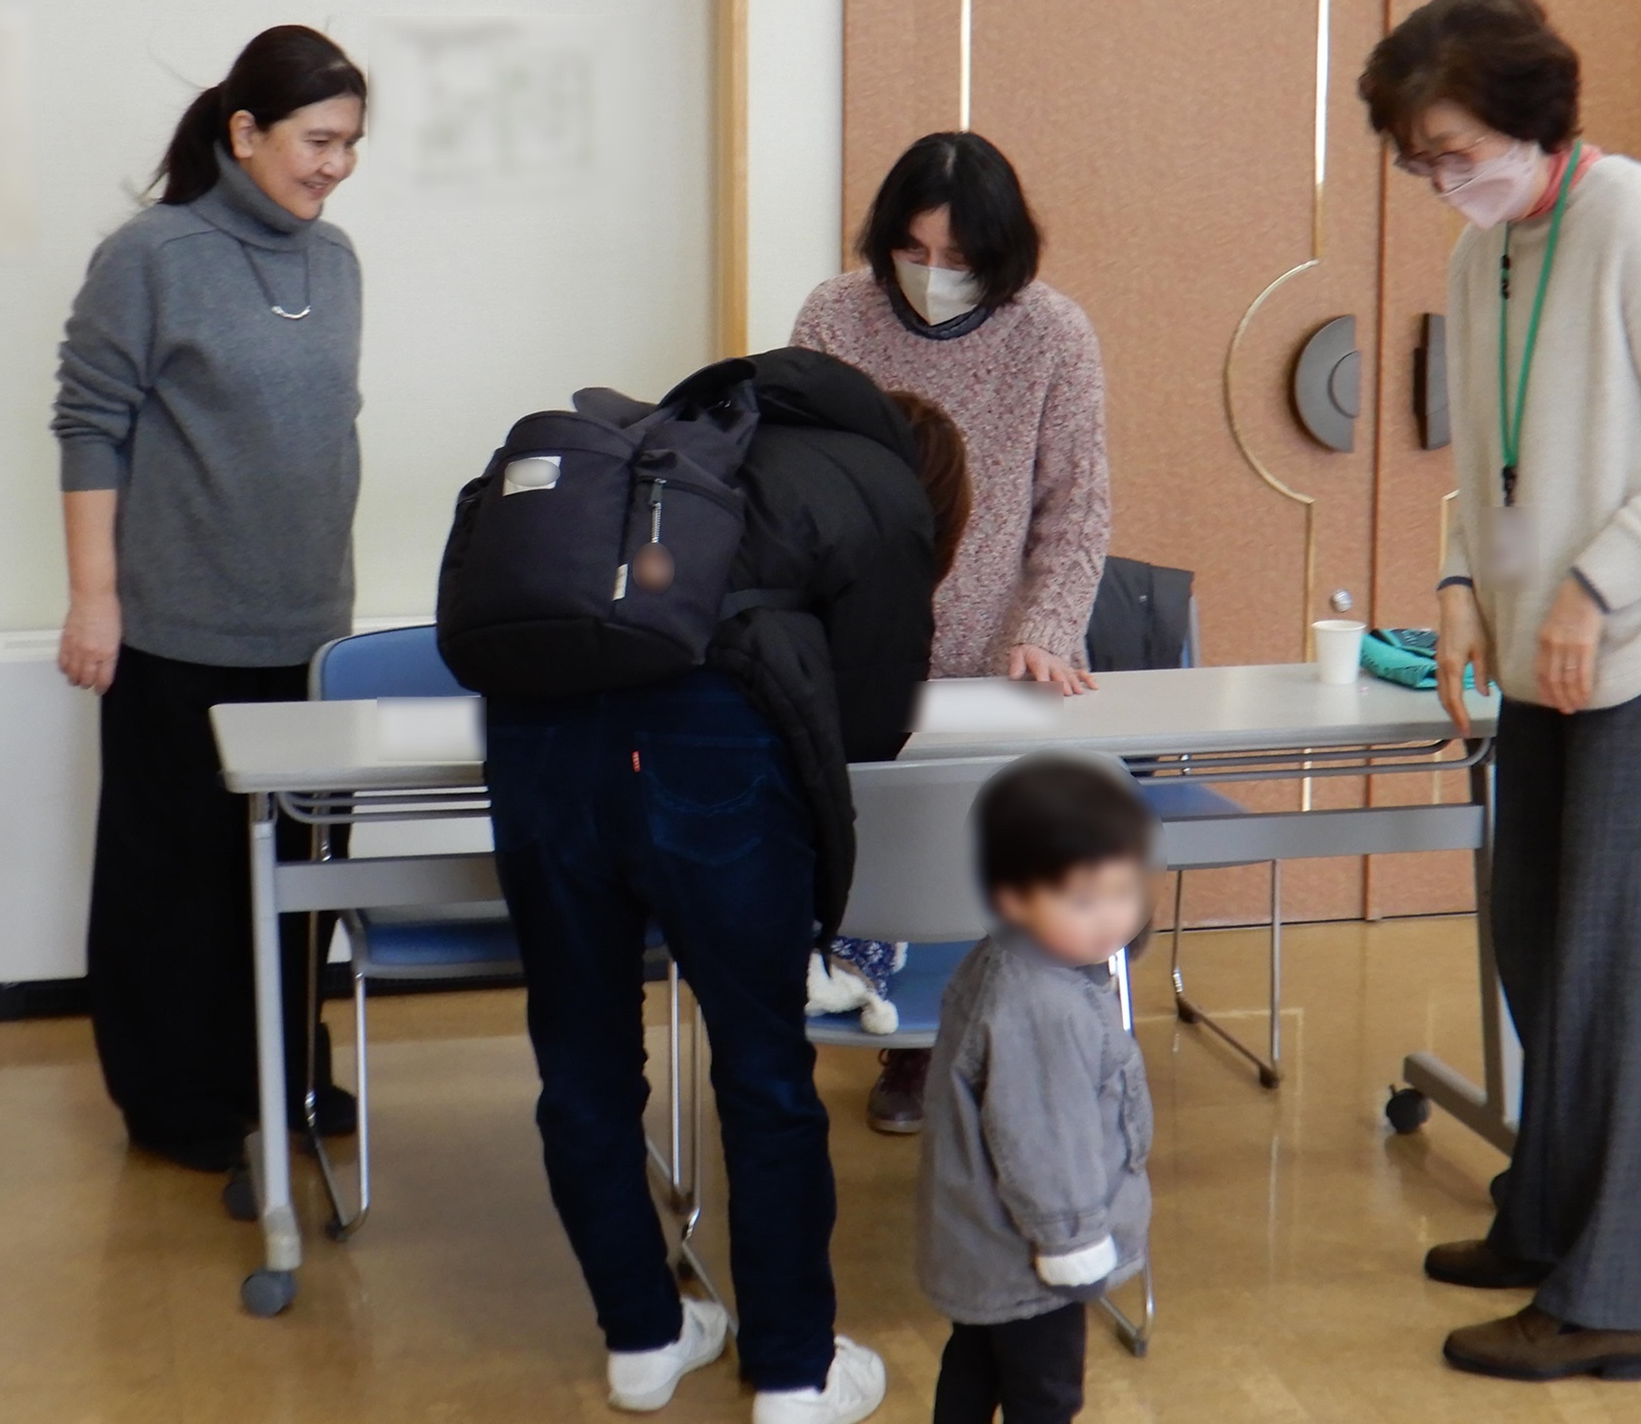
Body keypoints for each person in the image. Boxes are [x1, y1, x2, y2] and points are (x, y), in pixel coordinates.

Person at [1359, 0, 1641, 1383]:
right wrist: (1458, 587)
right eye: (1420, 161)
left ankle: (1607, 1300)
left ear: (1536, 122)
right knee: (1531, 941)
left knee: (1604, 967)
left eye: (1458, 153)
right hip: (1542, 644)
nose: (1443, 181)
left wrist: (1593, 588)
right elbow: (1490, 459)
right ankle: (1539, 1217)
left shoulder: (1634, 222)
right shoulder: (1484, 249)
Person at [482, 349, 967, 1424]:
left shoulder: (673, 443)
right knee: (761, 1069)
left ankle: (642, 1344)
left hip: (535, 745)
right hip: (708, 750)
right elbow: (871, 720)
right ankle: (794, 1375)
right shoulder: (883, 486)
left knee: (581, 1060)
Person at [51, 24, 369, 1172]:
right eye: (316, 140)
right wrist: (95, 598)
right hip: (178, 629)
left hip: (311, 626)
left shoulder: (336, 262)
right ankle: (176, 1100)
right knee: (176, 880)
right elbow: (89, 425)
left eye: (349, 144)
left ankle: (281, 1072)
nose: (335, 164)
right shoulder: (151, 255)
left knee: (302, 870)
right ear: (244, 133)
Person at [793, 129, 1111, 1134]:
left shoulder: (1052, 333)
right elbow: (797, 481)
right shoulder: (834, 316)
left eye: (959, 258)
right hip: (859, 636)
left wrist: (1048, 625)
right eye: (913, 251)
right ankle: (897, 1031)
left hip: (999, 646)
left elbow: (1075, 505)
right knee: (876, 840)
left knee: (985, 845)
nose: (932, 275)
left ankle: (982, 1033)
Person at [918, 755, 1155, 1424]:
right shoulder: (1043, 1005)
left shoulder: (1018, 963)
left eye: (1123, 892)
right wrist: (1071, 1242)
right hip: (1032, 1257)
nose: (1111, 918)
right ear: (1014, 898)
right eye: (1082, 901)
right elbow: (1045, 1143)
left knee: (974, 1364)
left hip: (984, 1245)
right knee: (1045, 1394)